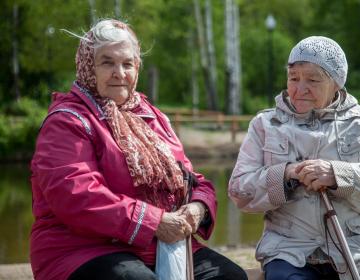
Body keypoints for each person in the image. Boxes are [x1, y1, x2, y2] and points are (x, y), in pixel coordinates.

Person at [30, 19, 247, 280]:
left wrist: (198, 208)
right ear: (88, 66)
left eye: (127, 64)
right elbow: (75, 195)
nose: (119, 73)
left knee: (230, 277)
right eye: (107, 62)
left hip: (157, 247)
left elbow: (192, 180)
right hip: (81, 249)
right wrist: (154, 222)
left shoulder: (151, 118)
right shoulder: (68, 120)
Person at [228, 36, 360, 280]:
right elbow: (239, 191)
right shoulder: (265, 124)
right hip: (288, 249)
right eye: (293, 78)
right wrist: (286, 174)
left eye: (312, 79)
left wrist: (337, 175)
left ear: (336, 84)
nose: (300, 89)